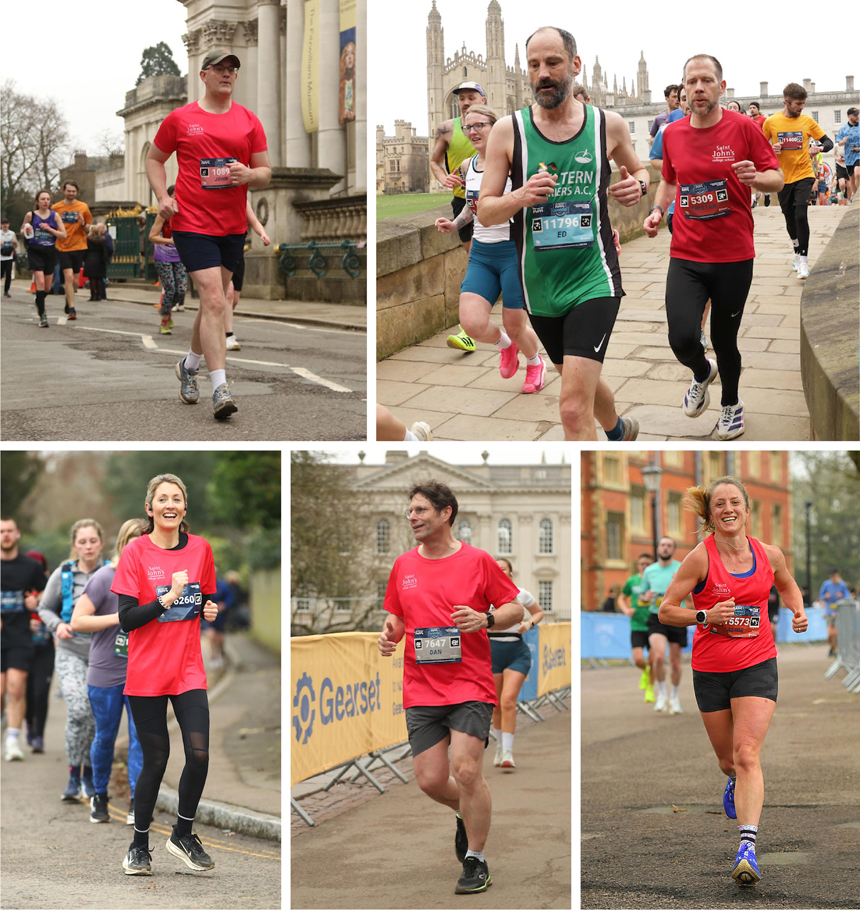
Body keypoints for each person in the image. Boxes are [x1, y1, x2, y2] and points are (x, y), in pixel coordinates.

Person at [479, 26, 647, 442]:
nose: (543, 74)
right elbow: (485, 210)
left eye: (553, 63)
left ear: (575, 65)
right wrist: (520, 196)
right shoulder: (508, 131)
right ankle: (618, 430)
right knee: (577, 378)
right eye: (534, 65)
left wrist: (639, 186)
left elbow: (641, 171)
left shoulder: (608, 125)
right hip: (539, 284)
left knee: (572, 408)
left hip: (594, 277)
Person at [659, 476, 807, 885]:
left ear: (746, 508)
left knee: (746, 754)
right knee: (728, 761)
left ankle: (747, 848)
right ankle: (732, 780)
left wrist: (797, 610)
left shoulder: (769, 554)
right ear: (710, 514)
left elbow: (787, 584)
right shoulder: (699, 559)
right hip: (710, 670)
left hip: (757, 663)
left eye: (735, 502)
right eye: (720, 504)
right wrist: (705, 615)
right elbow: (666, 610)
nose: (728, 509)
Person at [378, 481, 523, 895]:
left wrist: (486, 620)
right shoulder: (403, 565)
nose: (412, 517)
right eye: (410, 511)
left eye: (421, 510)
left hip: (469, 682)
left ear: (446, 514)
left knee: (466, 769)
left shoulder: (478, 561)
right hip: (421, 686)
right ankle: (466, 810)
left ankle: (476, 859)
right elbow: (397, 619)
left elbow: (514, 607)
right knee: (430, 780)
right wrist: (388, 636)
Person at [644, 55, 783, 440]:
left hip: (733, 255)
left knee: (723, 339)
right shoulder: (672, 134)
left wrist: (757, 178)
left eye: (706, 80)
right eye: (692, 81)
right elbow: (669, 181)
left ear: (721, 87)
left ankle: (731, 404)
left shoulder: (743, 127)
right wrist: (657, 210)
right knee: (682, 339)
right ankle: (702, 372)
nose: (699, 88)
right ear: (683, 90)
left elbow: (777, 178)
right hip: (686, 254)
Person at [145, 49, 271, 420]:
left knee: (213, 304)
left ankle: (188, 366)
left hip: (231, 227)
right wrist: (163, 197)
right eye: (220, 68)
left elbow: (265, 172)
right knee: (215, 299)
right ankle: (221, 388)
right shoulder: (181, 118)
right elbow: (154, 159)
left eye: (232, 69)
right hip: (192, 224)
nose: (227, 73)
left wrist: (250, 174)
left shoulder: (249, 120)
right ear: (204, 75)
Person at [112, 473, 219, 876]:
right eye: (162, 499)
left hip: (188, 669)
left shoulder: (201, 549)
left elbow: (205, 598)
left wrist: (209, 609)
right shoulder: (136, 553)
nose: (169, 504)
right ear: (150, 508)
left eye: (176, 498)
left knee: (199, 754)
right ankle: (138, 846)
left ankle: (183, 834)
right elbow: (126, 619)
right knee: (156, 760)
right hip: (147, 674)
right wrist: (167, 597)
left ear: (184, 507)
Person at [435, 104, 548, 395]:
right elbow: (474, 207)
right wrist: (455, 223)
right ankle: (506, 347)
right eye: (467, 127)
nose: (472, 132)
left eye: (479, 125)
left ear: (495, 127)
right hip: (482, 254)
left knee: (515, 325)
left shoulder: (516, 163)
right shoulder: (467, 166)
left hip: (513, 251)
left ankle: (535, 363)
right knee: (472, 323)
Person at [70, 518, 147, 825]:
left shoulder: (154, 579)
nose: (140, 552)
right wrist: (121, 616)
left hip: (143, 672)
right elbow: (78, 621)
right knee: (105, 737)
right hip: (105, 672)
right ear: (122, 544)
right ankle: (99, 795)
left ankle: (137, 802)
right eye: (135, 545)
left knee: (140, 738)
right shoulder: (104, 577)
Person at [36, 519, 107, 799]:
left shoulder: (112, 572)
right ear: (74, 545)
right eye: (82, 542)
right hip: (70, 652)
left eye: (93, 541)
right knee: (78, 710)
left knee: (95, 716)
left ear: (101, 543)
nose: (88, 547)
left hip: (103, 656)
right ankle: (73, 775)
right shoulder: (63, 573)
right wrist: (58, 625)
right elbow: (44, 607)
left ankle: (88, 775)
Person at [429, 80, 485, 352]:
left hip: (498, 203)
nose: (465, 102)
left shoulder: (498, 127)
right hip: (464, 204)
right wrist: (444, 179)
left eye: (471, 97)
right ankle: (470, 329)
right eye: (461, 98)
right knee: (476, 262)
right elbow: (434, 160)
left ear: (483, 99)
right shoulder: (447, 129)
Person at [762, 83, 832, 280]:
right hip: (782, 178)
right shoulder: (771, 122)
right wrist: (771, 149)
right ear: (787, 102)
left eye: (803, 104)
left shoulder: (807, 121)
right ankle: (796, 249)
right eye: (798, 104)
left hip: (804, 174)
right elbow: (758, 147)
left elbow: (828, 142)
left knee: (801, 215)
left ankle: (804, 261)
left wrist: (819, 148)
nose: (801, 107)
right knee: (789, 218)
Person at [489, 558, 543, 769]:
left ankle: (508, 753)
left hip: (516, 652)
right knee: (496, 706)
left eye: (502, 568)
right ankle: (499, 747)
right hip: (491, 652)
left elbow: (538, 612)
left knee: (508, 700)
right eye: (495, 568)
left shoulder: (521, 593)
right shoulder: (483, 595)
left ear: (510, 573)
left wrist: (529, 624)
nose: (499, 571)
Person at [1, 518, 47, 761]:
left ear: (17, 534)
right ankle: (5, 720)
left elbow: (46, 590)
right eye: (1, 531)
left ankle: (12, 742)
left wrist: (36, 599)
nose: (5, 535)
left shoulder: (30, 566)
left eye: (9, 531)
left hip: (20, 635)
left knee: (16, 687)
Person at [642, 537, 685, 713]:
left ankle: (674, 697)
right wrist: (645, 597)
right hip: (656, 616)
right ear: (658, 548)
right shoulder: (649, 571)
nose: (665, 548)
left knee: (674, 663)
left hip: (677, 616)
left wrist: (682, 584)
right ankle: (661, 693)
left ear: (673, 549)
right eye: (662, 545)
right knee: (658, 657)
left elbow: (693, 596)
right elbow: (641, 597)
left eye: (669, 545)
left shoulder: (682, 568)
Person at [224, 200, 271, 351]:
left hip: (236, 253)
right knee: (228, 293)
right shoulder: (215, 194)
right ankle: (228, 335)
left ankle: (216, 323)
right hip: (218, 250)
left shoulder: (241, 199)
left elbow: (254, 221)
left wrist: (263, 234)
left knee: (234, 299)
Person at [21, 191, 67, 328]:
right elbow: (22, 229)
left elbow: (63, 235)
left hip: (50, 252)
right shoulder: (31, 215)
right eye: (43, 199)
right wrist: (27, 230)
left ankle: (39, 299)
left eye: (47, 199)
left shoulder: (55, 215)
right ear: (37, 201)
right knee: (40, 282)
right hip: (35, 251)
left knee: (47, 287)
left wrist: (49, 229)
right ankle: (43, 316)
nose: (46, 201)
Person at [148, 184, 188, 336]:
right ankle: (164, 322)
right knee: (170, 288)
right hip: (163, 255)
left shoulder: (186, 213)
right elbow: (152, 236)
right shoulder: (163, 214)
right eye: (176, 194)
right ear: (169, 196)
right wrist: (170, 241)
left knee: (181, 289)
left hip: (180, 255)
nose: (178, 197)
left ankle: (165, 310)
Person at [24, 550, 54, 752]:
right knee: (26, 693)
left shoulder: (51, 588)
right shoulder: (19, 588)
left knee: (41, 692)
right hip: (23, 648)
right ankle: (29, 725)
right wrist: (26, 623)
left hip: (46, 649)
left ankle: (39, 737)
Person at [617, 553, 655, 703]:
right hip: (637, 625)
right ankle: (645, 671)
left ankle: (650, 690)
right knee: (638, 659)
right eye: (642, 564)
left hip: (653, 624)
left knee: (653, 660)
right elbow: (621, 597)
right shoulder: (632, 581)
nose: (644, 566)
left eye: (647, 564)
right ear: (638, 565)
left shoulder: (655, 581)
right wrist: (626, 610)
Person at [51, 180, 93, 320]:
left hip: (79, 246)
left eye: (73, 191)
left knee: (75, 280)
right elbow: (52, 225)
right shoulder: (56, 208)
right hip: (62, 246)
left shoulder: (83, 206)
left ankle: (68, 300)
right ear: (63, 191)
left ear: (77, 192)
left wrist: (83, 224)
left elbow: (88, 228)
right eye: (68, 191)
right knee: (68, 277)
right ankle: (72, 309)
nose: (71, 193)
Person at [819, 568, 850, 658]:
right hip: (829, 611)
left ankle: (835, 650)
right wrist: (825, 596)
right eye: (832, 576)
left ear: (838, 575)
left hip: (839, 612)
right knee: (830, 634)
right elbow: (821, 595)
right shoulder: (826, 584)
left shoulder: (842, 584)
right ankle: (832, 647)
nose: (834, 578)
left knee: (835, 633)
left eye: (835, 576)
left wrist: (842, 596)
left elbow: (848, 596)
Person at [836, 107, 860, 202]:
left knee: (858, 173)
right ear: (849, 117)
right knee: (852, 179)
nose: (857, 117)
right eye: (855, 115)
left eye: (858, 114)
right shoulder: (843, 129)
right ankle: (856, 199)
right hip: (849, 157)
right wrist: (843, 141)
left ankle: (859, 196)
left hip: (859, 155)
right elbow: (839, 143)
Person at [84, 224, 111, 305]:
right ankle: (99, 295)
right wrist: (105, 260)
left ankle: (93, 295)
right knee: (98, 278)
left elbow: (85, 250)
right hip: (99, 260)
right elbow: (105, 251)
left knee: (92, 279)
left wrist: (84, 259)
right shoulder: (103, 240)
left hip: (90, 260)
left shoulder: (88, 240)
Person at [1, 217, 18, 298]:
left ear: (8, 224)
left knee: (8, 275)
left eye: (6, 224)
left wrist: (14, 242)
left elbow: (16, 246)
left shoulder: (12, 233)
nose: (5, 225)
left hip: (9, 257)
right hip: (1, 257)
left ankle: (6, 291)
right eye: (3, 224)